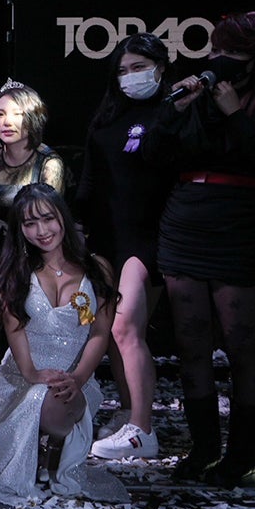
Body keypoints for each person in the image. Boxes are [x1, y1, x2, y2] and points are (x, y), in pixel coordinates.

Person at [144, 11, 255, 486]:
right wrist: (174, 110)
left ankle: (241, 457)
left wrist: (236, 113)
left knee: (241, 345)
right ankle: (203, 449)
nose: (220, 59)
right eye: (215, 49)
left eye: (232, 52)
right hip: (186, 219)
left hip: (240, 223)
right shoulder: (194, 98)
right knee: (191, 343)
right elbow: (151, 155)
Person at [0, 184, 127, 504]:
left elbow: (100, 333)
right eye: (30, 223)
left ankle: (54, 447)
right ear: (20, 229)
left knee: (58, 399)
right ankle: (36, 449)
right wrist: (32, 373)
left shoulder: (96, 269)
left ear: (62, 217)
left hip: (74, 378)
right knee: (38, 396)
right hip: (20, 378)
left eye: (48, 219)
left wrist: (79, 378)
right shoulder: (15, 271)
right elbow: (14, 329)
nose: (42, 231)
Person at [77, 33, 175, 460]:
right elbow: (90, 180)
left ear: (160, 69)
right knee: (111, 334)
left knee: (125, 327)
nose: (130, 77)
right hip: (104, 237)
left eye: (138, 68)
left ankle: (142, 430)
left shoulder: (171, 114)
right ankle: (132, 411)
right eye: (122, 70)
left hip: (148, 236)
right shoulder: (107, 117)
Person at [0, 79, 68, 434]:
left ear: (33, 118)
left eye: (16, 114)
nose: (6, 122)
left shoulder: (48, 163)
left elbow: (47, 227)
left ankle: (20, 412)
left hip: (29, 260)